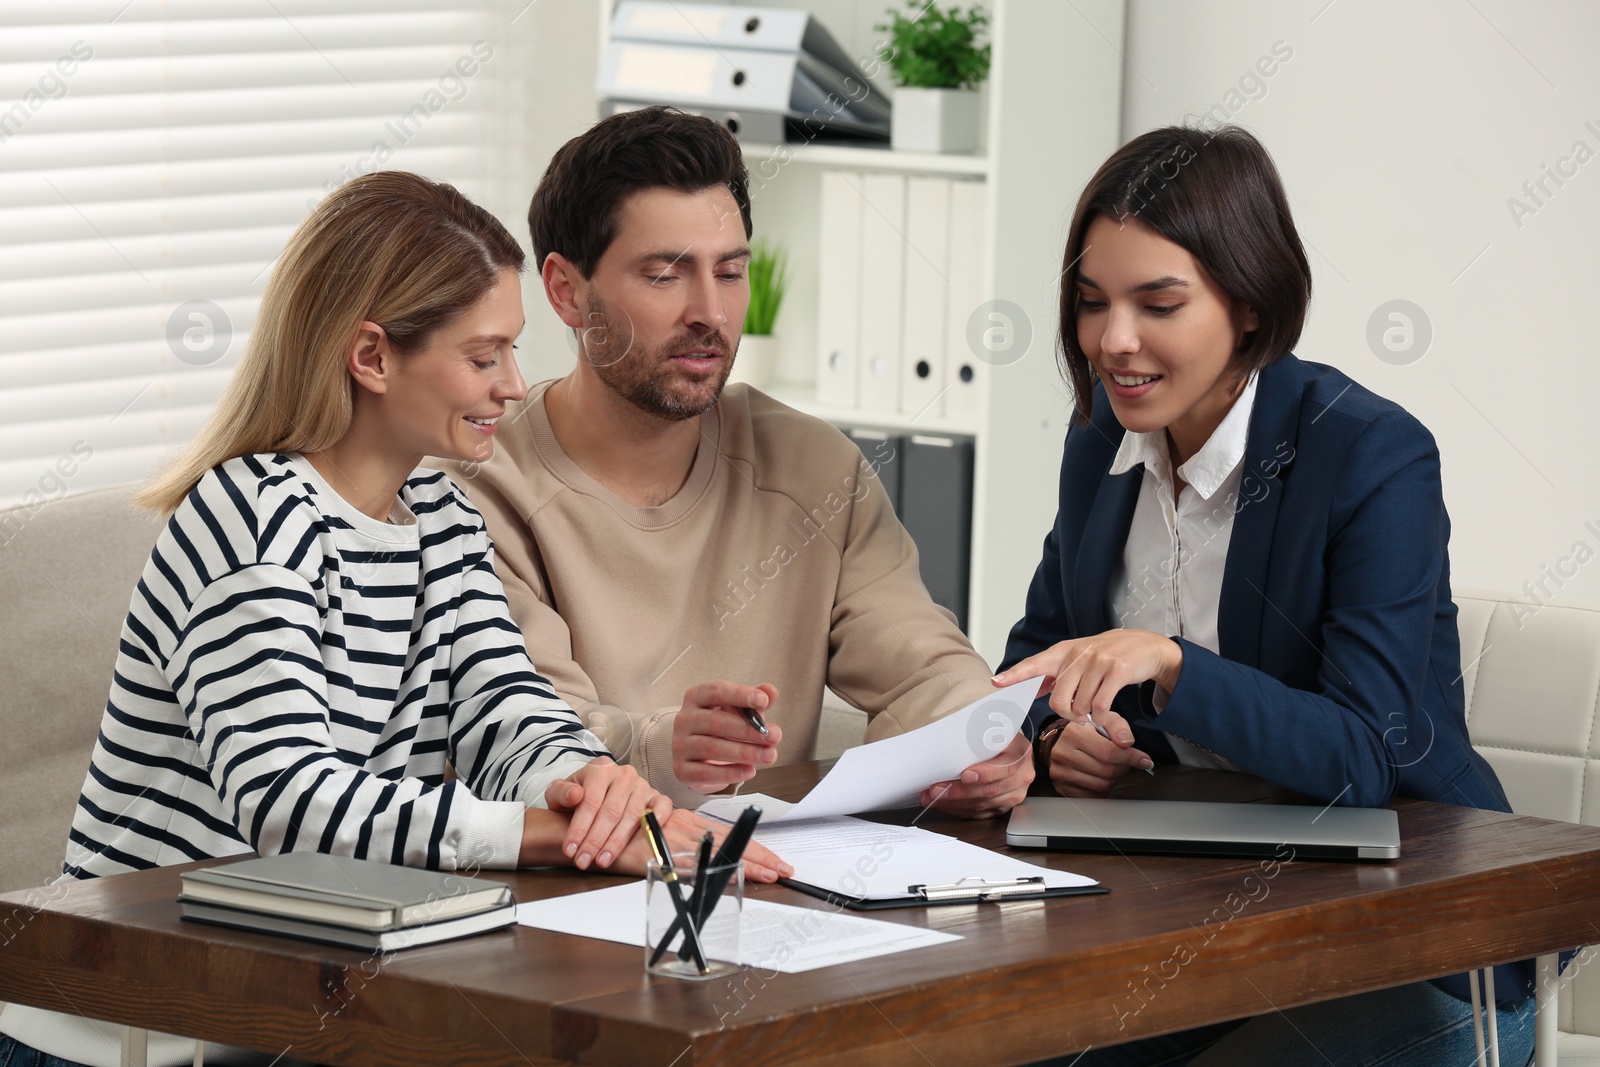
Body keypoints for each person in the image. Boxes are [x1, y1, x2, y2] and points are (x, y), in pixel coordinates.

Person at [0, 171, 786, 1067]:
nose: (517, 385)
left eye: (514, 352)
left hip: (297, 1008)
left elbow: (505, 714)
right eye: (485, 357)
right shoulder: (249, 523)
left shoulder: (443, 517)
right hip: (127, 1026)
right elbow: (289, 801)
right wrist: (560, 833)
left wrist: (592, 784)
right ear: (372, 357)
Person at [991, 125, 1536, 1065]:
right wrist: (1062, 740)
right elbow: (1037, 661)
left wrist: (1168, 664)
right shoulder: (1100, 447)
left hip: (1410, 940)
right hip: (1186, 915)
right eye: (1090, 303)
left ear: (1248, 303)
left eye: (1158, 303)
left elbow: (1366, 753)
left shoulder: (1370, 454)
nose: (1113, 341)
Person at [446, 106, 1032, 814]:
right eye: (666, 275)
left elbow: (924, 665)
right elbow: (529, 736)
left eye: (730, 272)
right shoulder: (476, 481)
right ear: (567, 291)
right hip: (566, 893)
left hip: (773, 884)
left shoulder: (813, 468)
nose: (712, 312)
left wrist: (973, 744)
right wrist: (669, 749)